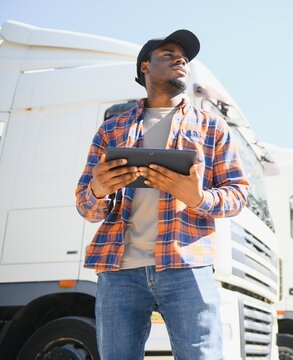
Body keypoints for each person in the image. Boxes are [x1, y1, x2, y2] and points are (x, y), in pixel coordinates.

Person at [75, 29, 248, 359]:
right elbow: (86, 205)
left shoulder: (212, 127)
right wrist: (98, 189)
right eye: (168, 54)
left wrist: (199, 198)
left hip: (187, 266)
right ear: (145, 66)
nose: (180, 59)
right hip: (118, 270)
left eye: (184, 57)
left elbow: (238, 195)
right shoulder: (111, 130)